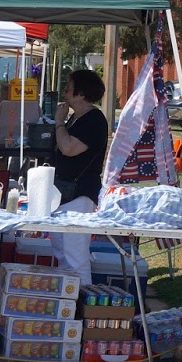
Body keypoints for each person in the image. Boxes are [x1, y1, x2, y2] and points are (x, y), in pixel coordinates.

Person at [46, 69, 109, 285]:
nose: (65, 94)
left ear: (81, 94)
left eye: (69, 89)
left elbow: (68, 148)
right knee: (61, 252)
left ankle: (81, 305)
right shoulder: (76, 118)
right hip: (61, 194)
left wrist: (59, 123)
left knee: (75, 255)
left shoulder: (94, 120)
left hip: (79, 195)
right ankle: (66, 303)